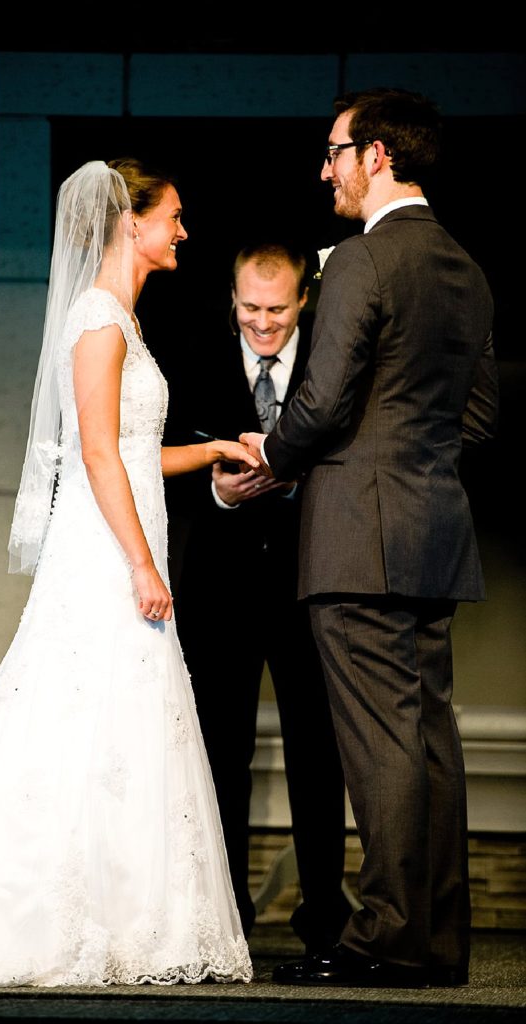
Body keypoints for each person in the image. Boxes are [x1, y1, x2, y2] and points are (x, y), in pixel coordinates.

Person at [0, 158, 255, 987]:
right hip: (106, 557)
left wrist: (209, 450)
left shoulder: (120, 323)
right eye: (172, 216)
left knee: (118, 723)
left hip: (119, 542)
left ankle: (123, 916)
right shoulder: (101, 320)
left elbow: (132, 452)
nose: (182, 229)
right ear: (128, 223)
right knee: (87, 712)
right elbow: (97, 455)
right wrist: (142, 563)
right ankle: (59, 912)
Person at [242, 88, 498, 988]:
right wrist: (406, 461)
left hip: (357, 537)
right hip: (433, 532)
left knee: (383, 746)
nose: (325, 169)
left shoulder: (361, 259)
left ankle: (385, 941)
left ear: (377, 155)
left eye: (333, 151)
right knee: (428, 739)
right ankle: (432, 942)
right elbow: (477, 414)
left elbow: (319, 402)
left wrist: (269, 458)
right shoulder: (464, 266)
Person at [164, 243, 351, 949]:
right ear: (232, 299)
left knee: (317, 752)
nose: (262, 324)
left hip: (312, 583)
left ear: (302, 300)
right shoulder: (192, 354)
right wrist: (216, 490)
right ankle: (227, 915)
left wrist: (302, 482)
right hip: (220, 587)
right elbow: (156, 456)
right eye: (249, 308)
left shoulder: (335, 357)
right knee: (219, 754)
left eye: (276, 309)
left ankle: (325, 918)